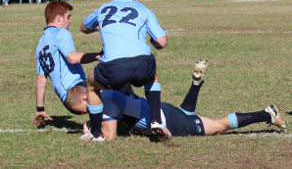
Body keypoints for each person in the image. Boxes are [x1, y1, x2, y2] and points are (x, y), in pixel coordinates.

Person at [81, 60, 288, 141]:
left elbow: (109, 136)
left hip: (168, 122)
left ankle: (267, 114)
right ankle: (195, 85)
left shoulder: (104, 102)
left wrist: (90, 133)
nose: (87, 110)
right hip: (160, 109)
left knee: (218, 126)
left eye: (84, 107)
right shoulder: (112, 89)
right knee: (187, 113)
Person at [79, 0, 169, 142]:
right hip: (142, 63)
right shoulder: (144, 9)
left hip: (114, 67)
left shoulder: (104, 8)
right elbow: (162, 42)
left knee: (91, 85)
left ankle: (96, 132)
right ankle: (156, 120)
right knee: (152, 75)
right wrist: (153, 43)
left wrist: (99, 28)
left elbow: (83, 27)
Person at [32, 0, 102, 127]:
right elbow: (73, 58)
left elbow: (41, 79)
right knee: (116, 85)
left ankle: (98, 125)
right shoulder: (60, 33)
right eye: (68, 17)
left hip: (67, 99)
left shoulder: (40, 44)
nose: (69, 21)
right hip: (77, 92)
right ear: (59, 18)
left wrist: (40, 109)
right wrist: (99, 56)